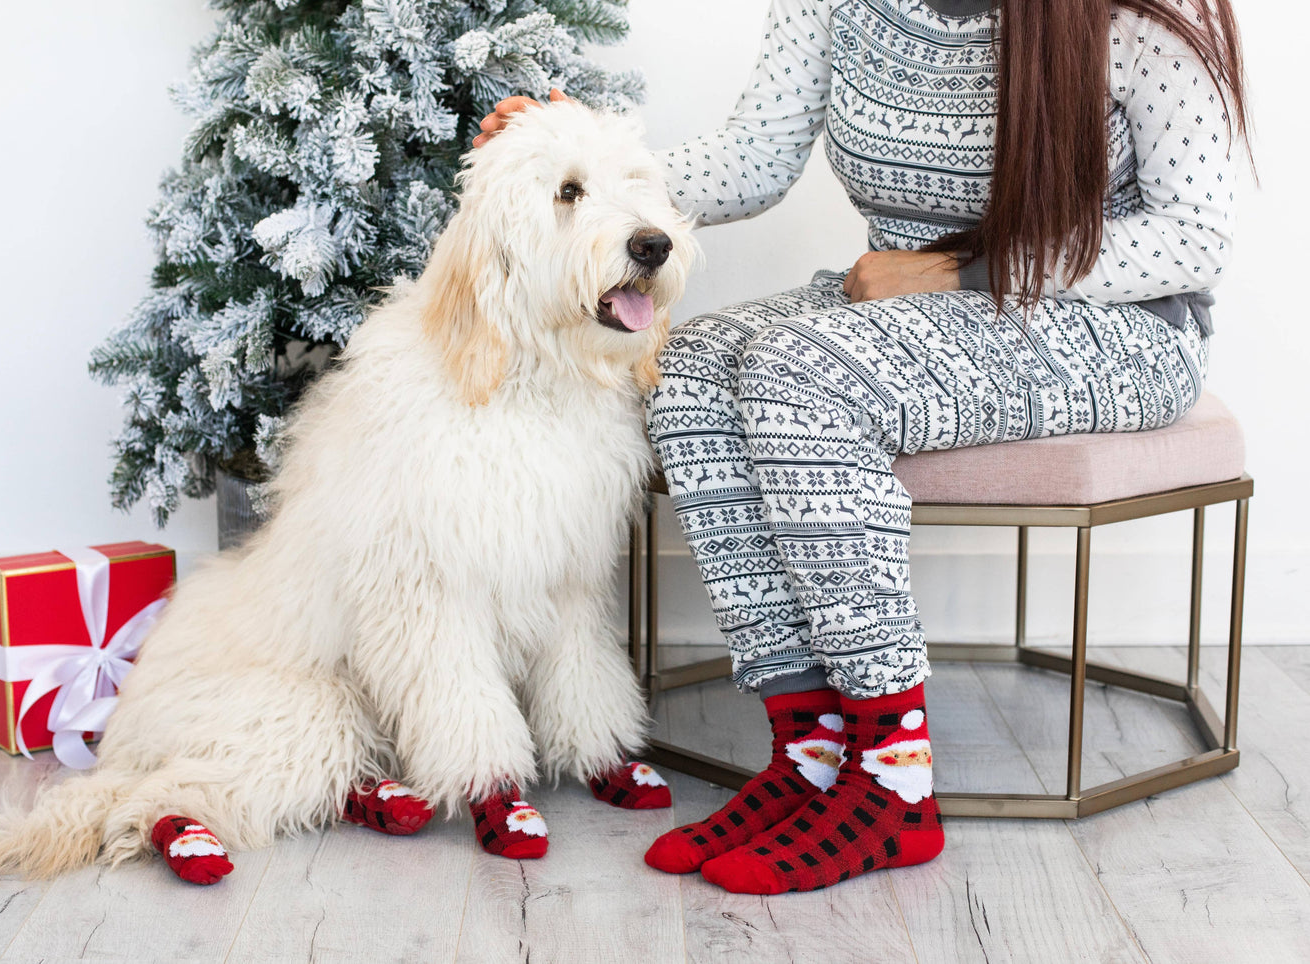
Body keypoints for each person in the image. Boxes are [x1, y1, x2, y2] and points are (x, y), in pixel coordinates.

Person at [476, 0, 1250, 895]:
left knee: (795, 373)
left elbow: (1193, 237)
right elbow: (751, 157)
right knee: (686, 367)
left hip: (1114, 324)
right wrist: (573, 161)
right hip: (905, 309)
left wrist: (964, 270)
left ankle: (891, 782)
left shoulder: (1139, 19)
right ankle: (810, 751)